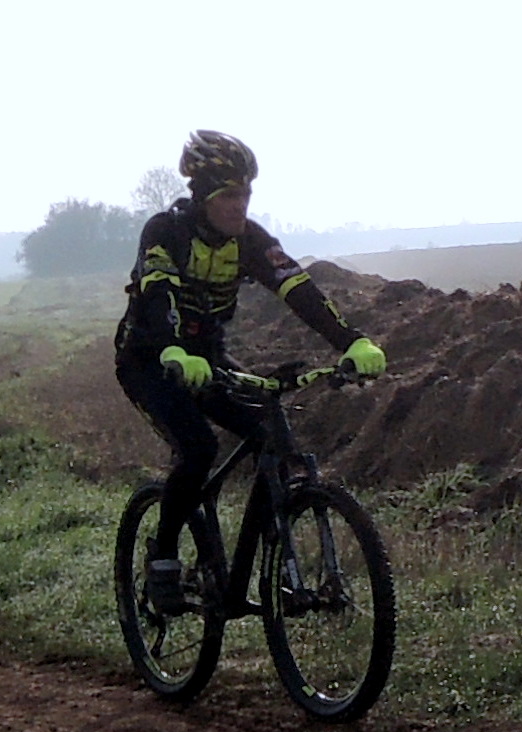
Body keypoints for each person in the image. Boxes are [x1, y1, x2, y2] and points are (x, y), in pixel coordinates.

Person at [118, 130, 386, 613]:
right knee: (198, 448)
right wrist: (174, 350)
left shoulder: (250, 240)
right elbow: (159, 295)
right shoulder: (166, 232)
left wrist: (352, 340)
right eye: (229, 195)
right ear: (202, 195)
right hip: (150, 358)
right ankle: (163, 558)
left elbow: (299, 289)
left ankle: (266, 561)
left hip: (208, 357)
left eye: (245, 194)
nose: (240, 205)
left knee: (268, 437)